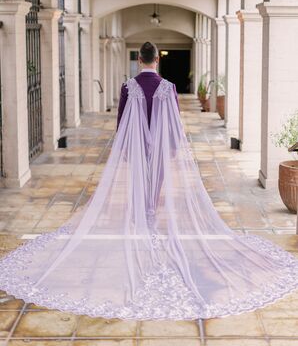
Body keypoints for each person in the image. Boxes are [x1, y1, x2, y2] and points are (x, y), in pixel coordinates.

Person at [0, 41, 298, 320]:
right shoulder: (168, 86)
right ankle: (152, 216)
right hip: (161, 145)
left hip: (135, 145)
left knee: (136, 183)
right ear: (157, 60)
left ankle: (140, 218)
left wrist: (126, 148)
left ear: (139, 60)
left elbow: (121, 120)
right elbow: (175, 122)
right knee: (156, 184)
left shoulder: (129, 86)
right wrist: (169, 150)